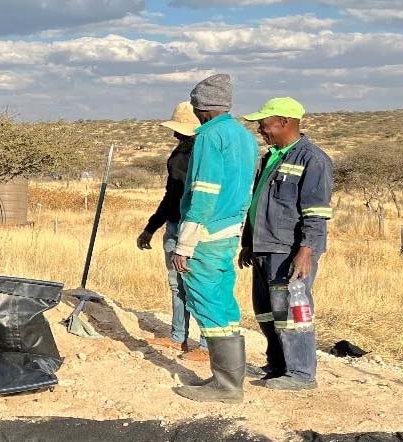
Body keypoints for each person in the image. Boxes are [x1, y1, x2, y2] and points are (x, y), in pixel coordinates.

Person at [170, 74, 258, 404]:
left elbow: (204, 194)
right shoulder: (244, 136)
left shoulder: (209, 136)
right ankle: (229, 379)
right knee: (223, 300)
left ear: (201, 108)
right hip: (229, 230)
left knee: (206, 300)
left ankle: (226, 385)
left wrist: (185, 244)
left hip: (205, 234)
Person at [240, 98, 333, 390]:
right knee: (267, 311)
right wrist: (248, 243)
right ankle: (278, 365)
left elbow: (316, 213)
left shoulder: (312, 159)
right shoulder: (271, 157)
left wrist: (306, 251)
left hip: (289, 251)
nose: (260, 129)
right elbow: (258, 204)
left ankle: (301, 373)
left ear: (284, 122)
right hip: (264, 247)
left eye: (264, 124)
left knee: (291, 312)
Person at [136, 101, 208, 362]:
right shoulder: (180, 154)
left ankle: (207, 345)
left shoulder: (205, 157)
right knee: (178, 285)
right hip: (176, 225)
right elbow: (171, 196)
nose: (175, 134)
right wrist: (151, 227)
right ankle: (179, 337)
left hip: (196, 229)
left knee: (198, 286)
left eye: (180, 130)